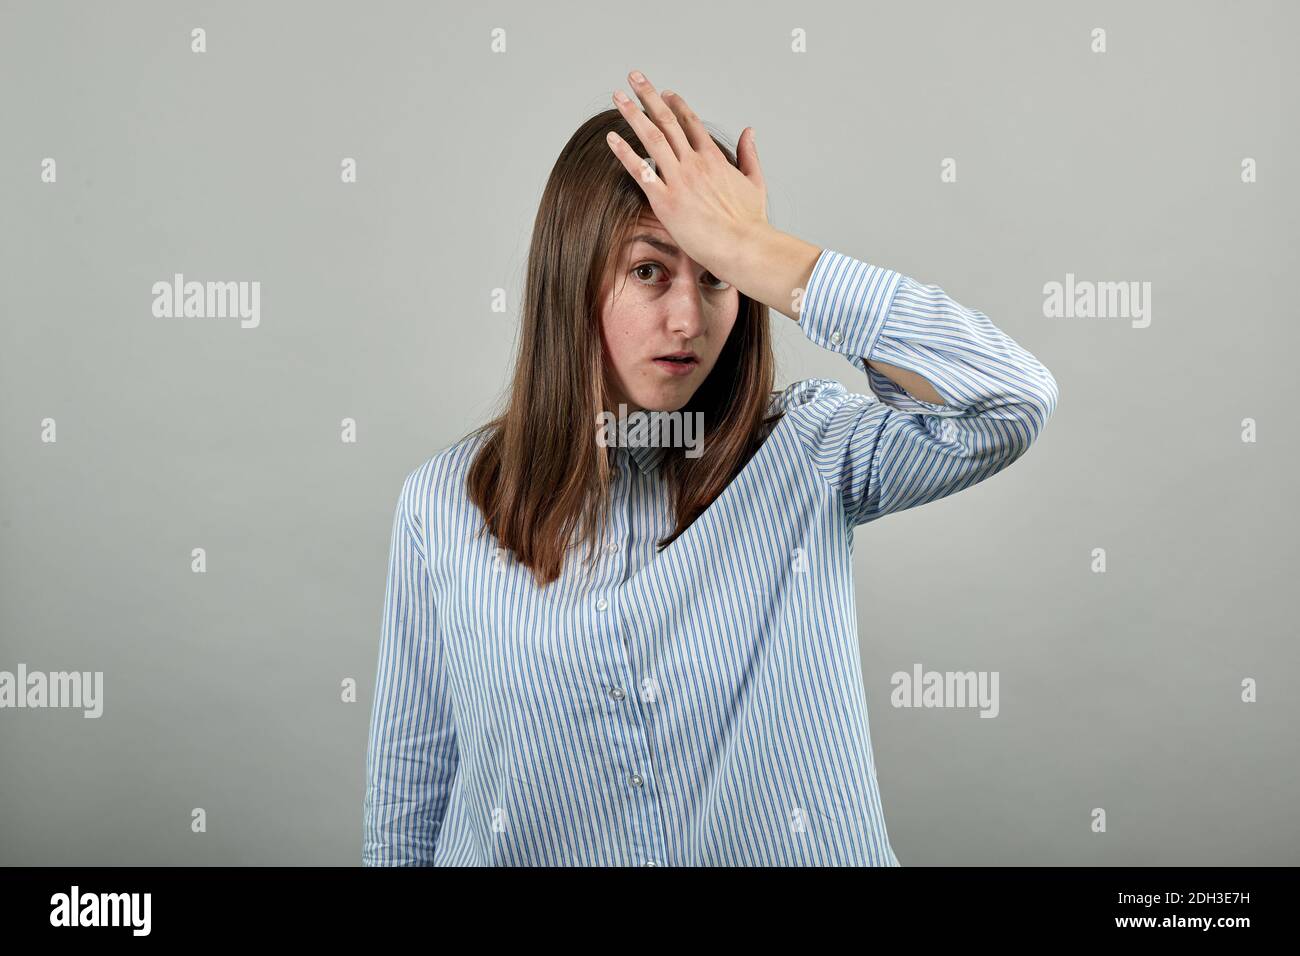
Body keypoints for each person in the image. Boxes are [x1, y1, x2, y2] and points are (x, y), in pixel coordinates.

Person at [362, 70, 1058, 866]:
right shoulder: (442, 506)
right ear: (570, 278)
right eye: (649, 271)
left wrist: (763, 252)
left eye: (716, 276)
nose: (688, 319)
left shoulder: (808, 452)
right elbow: (409, 803)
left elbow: (1008, 401)